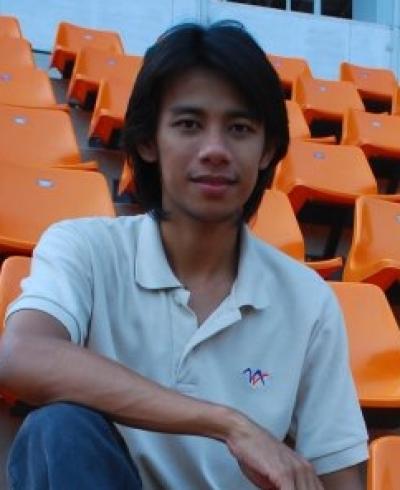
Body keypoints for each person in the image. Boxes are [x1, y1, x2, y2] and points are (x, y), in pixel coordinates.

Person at [0, 21, 368, 490]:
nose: (215, 150)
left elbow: (341, 480)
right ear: (148, 142)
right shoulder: (85, 249)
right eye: (189, 125)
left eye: (239, 128)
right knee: (57, 430)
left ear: (267, 150)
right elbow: (22, 354)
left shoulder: (308, 300)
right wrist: (228, 424)